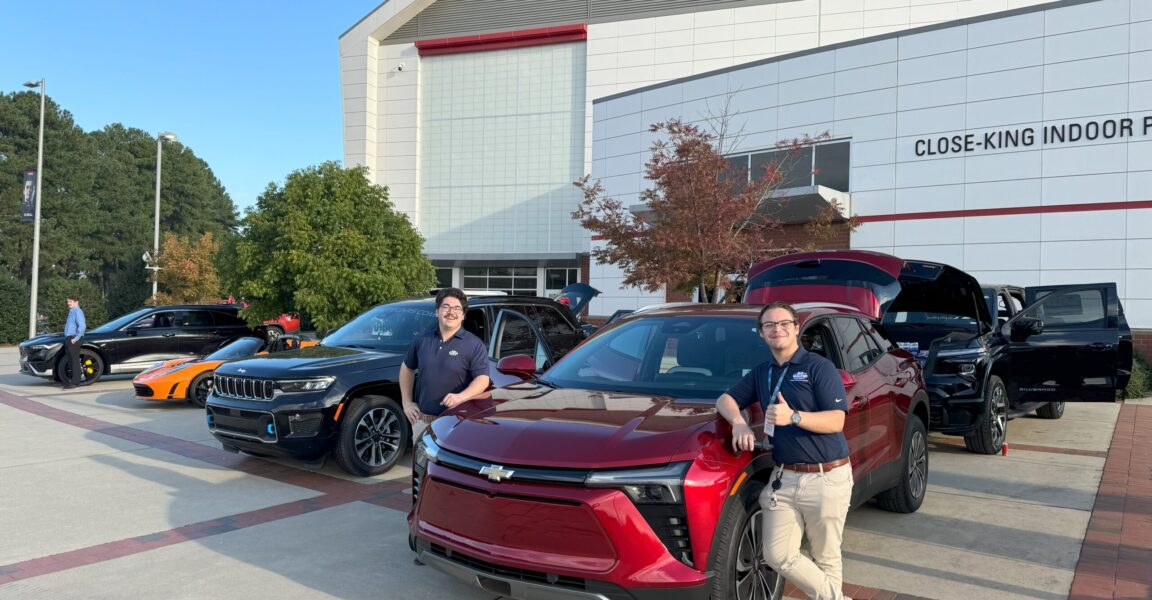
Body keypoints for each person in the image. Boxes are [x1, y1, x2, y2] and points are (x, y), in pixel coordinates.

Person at [716, 301, 852, 600]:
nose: (777, 329)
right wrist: (738, 422)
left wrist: (794, 417)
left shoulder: (818, 367)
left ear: (796, 328)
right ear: (761, 333)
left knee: (826, 556)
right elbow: (725, 399)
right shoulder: (762, 372)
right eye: (769, 325)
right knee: (777, 555)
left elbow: (837, 420)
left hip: (826, 476)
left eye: (783, 324)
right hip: (783, 479)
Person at [399, 287, 491, 440]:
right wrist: (407, 403)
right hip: (422, 421)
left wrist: (461, 397)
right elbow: (406, 368)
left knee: (451, 463)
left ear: (462, 316)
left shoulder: (474, 344)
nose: (451, 312)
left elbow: (482, 379)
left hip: (456, 422)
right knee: (421, 463)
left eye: (456, 308)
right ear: (437, 312)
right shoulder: (422, 340)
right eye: (446, 307)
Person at [62, 296, 87, 389]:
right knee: (71, 360)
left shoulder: (78, 311)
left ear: (76, 302)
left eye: (70, 301)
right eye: (68, 301)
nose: (68, 303)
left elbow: (82, 326)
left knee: (74, 360)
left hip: (74, 339)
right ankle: (73, 380)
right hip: (69, 338)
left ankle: (75, 382)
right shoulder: (72, 311)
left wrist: (76, 338)